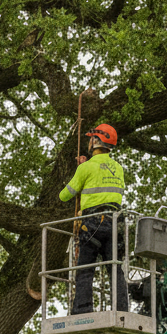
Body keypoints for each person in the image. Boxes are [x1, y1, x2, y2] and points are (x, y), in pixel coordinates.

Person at [59, 124, 127, 314]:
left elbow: (65, 195)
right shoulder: (118, 168)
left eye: (91, 138)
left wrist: (80, 171)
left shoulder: (87, 167)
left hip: (93, 222)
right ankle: (122, 309)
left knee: (85, 269)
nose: (89, 141)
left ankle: (82, 310)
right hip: (115, 222)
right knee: (115, 268)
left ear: (97, 141)